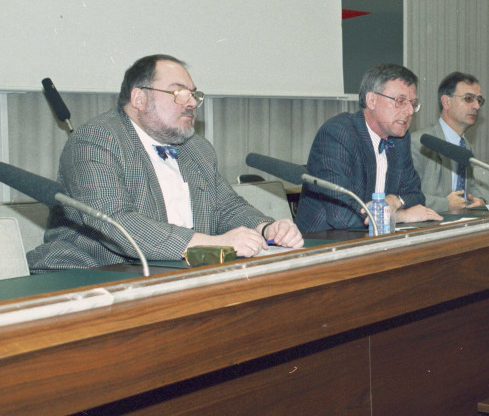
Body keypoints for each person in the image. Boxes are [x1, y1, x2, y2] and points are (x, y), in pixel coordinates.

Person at [28, 54, 303, 272]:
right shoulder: (96, 139)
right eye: (179, 93)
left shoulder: (197, 148)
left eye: (194, 95)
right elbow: (116, 222)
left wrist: (266, 228)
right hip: (91, 275)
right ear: (139, 98)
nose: (192, 103)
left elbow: (227, 207)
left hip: (176, 273)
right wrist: (211, 243)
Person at [295, 63, 442, 233]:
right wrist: (400, 216)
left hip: (375, 240)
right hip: (324, 244)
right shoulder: (338, 134)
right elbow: (341, 216)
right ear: (371, 100)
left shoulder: (400, 139)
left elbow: (416, 196)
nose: (410, 111)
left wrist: (395, 200)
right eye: (400, 101)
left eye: (413, 103)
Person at [411, 72, 489, 212]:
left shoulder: (464, 145)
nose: (477, 106)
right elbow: (408, 197)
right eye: (469, 99)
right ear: (446, 102)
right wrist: (445, 204)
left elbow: (469, 187)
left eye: (479, 100)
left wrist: (479, 200)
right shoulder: (419, 143)